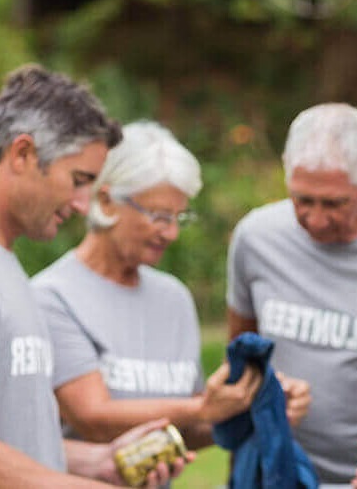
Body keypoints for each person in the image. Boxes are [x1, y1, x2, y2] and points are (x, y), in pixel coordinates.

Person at [0, 65, 190, 487]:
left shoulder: (1, 261)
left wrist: (95, 463)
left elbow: (13, 438)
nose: (83, 205)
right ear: (22, 154)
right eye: (78, 181)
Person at [30, 121, 309, 460]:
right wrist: (202, 408)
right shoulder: (52, 297)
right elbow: (92, 418)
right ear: (106, 201)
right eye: (160, 216)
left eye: (180, 217)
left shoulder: (173, 298)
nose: (172, 233)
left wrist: (256, 406)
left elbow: (188, 427)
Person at [226, 103, 357, 487]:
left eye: (334, 203)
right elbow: (240, 356)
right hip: (277, 472)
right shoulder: (255, 238)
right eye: (302, 200)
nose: (316, 219)